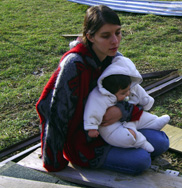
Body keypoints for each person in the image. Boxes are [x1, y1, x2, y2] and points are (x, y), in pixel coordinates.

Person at [36, 5, 170, 175]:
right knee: (141, 160)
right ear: (90, 36)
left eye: (118, 32)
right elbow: (55, 111)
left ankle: (125, 149)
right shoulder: (74, 65)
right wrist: (53, 160)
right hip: (85, 139)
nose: (115, 41)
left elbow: (131, 95)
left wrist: (120, 111)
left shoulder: (115, 58)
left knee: (161, 142)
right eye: (106, 36)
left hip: (117, 126)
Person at [84, 56, 170, 153]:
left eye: (128, 90)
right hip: (111, 126)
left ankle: (154, 122)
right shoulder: (99, 97)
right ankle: (141, 142)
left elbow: (139, 94)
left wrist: (146, 101)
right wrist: (91, 127)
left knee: (143, 118)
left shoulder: (125, 82)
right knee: (125, 137)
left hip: (130, 117)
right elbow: (92, 111)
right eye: (123, 93)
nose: (127, 94)